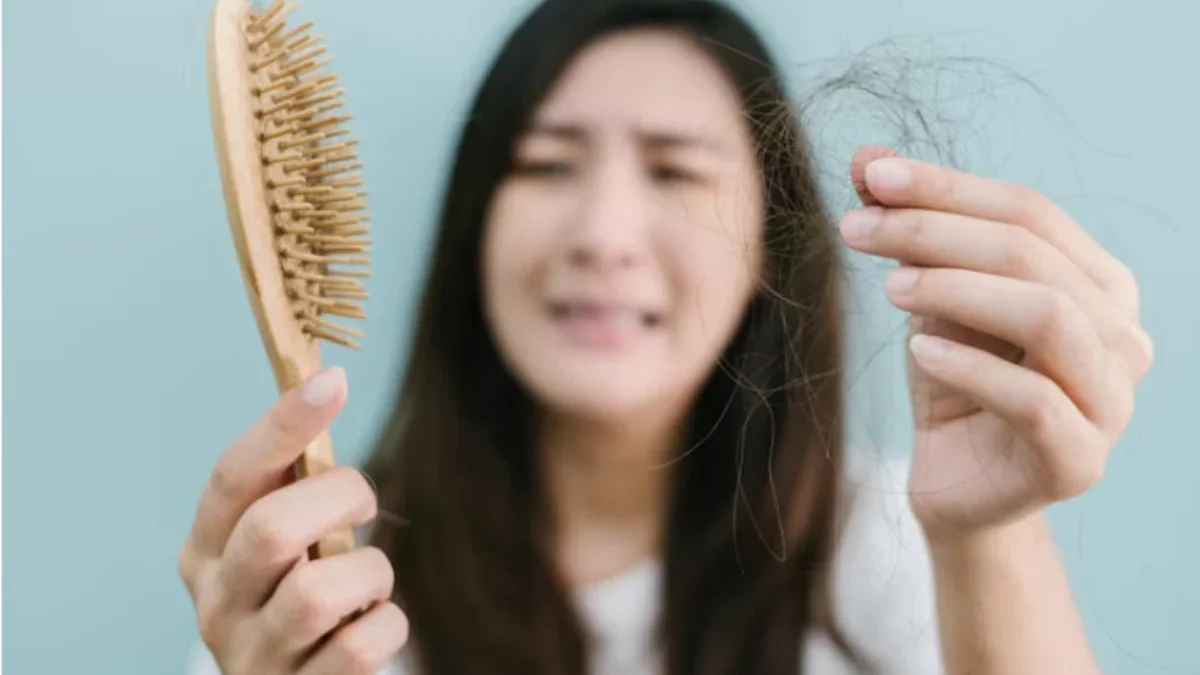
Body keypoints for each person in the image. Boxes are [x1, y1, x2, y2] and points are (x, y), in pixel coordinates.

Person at [177, 0, 1154, 673]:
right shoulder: (313, 592)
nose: (602, 233)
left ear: (773, 247)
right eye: (547, 165)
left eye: (675, 171)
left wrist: (987, 537)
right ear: (475, 228)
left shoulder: (883, 551)